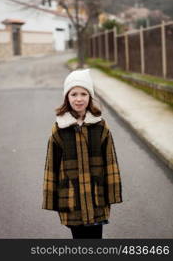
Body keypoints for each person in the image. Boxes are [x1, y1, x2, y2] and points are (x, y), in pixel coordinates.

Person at [42, 69, 122, 239]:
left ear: (90, 97)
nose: (79, 99)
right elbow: (51, 167)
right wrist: (51, 199)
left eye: (83, 94)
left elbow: (111, 163)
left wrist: (112, 194)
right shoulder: (59, 129)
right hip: (71, 201)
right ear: (67, 97)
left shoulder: (101, 127)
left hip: (96, 199)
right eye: (74, 94)